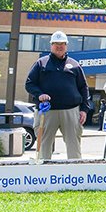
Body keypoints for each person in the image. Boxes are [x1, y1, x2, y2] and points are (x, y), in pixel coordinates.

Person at [24, 31, 91, 159]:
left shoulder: (75, 65)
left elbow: (83, 87)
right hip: (47, 111)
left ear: (66, 46)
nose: (59, 46)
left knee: (74, 147)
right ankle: (43, 175)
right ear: (51, 45)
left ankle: (75, 175)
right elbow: (29, 84)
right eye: (56, 44)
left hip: (71, 111)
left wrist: (84, 109)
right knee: (44, 145)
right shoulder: (40, 63)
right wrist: (39, 94)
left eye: (62, 44)